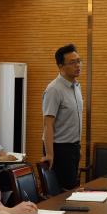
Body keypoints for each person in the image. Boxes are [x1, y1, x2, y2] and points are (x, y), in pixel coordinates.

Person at [42, 43, 83, 190]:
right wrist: (49, 154)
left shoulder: (76, 86)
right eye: (72, 62)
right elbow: (48, 124)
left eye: (79, 61)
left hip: (73, 147)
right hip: (59, 149)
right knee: (63, 192)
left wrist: (77, 147)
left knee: (71, 188)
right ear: (60, 66)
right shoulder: (54, 89)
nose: (78, 65)